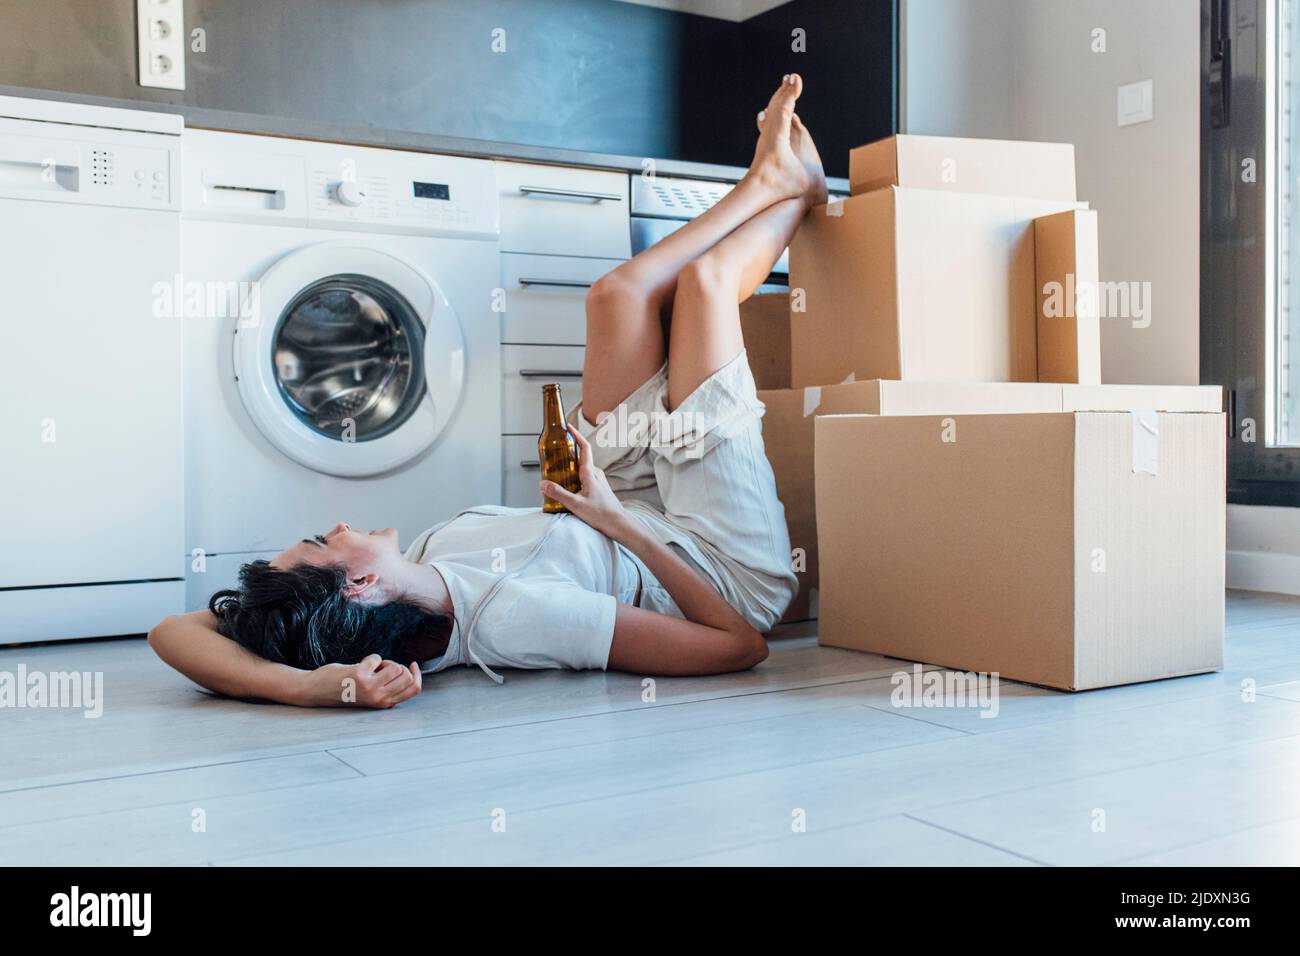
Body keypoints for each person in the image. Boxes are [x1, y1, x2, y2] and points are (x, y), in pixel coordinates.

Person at [149, 74, 827, 709]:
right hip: (716, 564)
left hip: (628, 506)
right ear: (359, 585)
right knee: (704, 288)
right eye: (322, 543)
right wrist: (613, 520)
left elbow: (172, 632)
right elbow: (741, 642)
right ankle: (792, 190)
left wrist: (316, 686)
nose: (335, 526)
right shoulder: (510, 615)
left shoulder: (414, 574)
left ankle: (773, 184)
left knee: (615, 297)